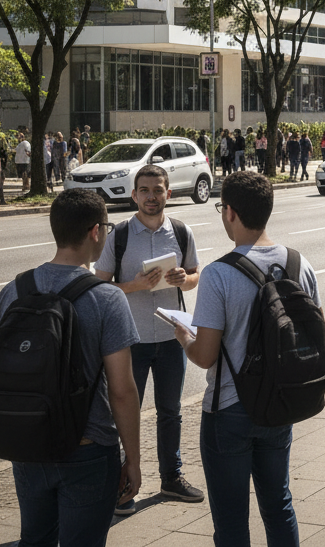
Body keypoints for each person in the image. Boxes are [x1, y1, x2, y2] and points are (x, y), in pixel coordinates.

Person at [175, 171, 322, 544]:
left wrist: (184, 339)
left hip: (229, 409)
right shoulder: (298, 263)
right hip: (281, 401)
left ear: (229, 213)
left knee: (231, 519)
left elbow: (206, 356)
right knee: (279, 504)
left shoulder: (219, 274)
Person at [0, 189, 141, 545]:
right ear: (95, 232)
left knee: (36, 538)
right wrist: (133, 460)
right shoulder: (106, 297)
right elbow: (122, 391)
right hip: (88, 448)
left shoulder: (14, 290)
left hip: (28, 441)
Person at [95, 165, 205, 512]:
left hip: (173, 336)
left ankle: (171, 478)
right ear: (134, 195)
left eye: (158, 190)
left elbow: (196, 276)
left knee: (170, 411)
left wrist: (183, 279)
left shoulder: (183, 232)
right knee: (125, 413)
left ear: (168, 193)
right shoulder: (121, 235)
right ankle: (123, 485)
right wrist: (134, 286)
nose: (151, 197)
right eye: (144, 190)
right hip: (130, 340)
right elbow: (98, 286)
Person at [14, 127, 31, 193]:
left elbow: (28, 151)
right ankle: (25, 185)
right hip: (19, 161)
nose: (18, 138)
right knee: (23, 174)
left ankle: (26, 185)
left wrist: (28, 153)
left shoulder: (25, 143)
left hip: (24, 161)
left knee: (25, 174)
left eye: (19, 136)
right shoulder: (20, 144)